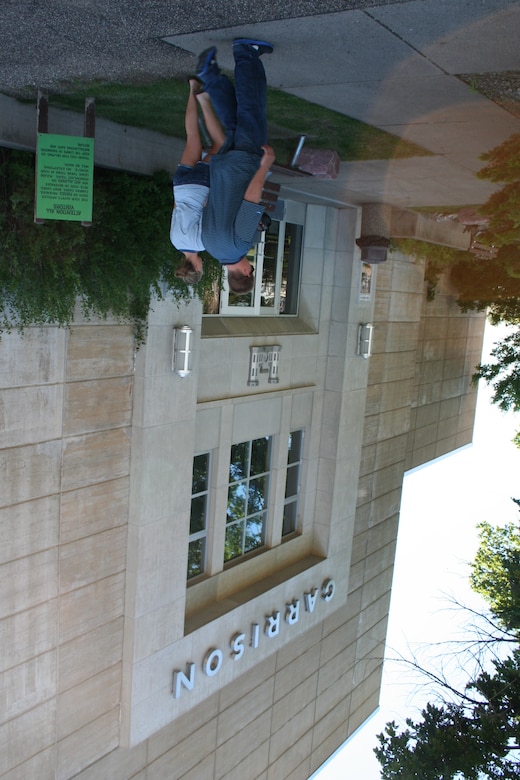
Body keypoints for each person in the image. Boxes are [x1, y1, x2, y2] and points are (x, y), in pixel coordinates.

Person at [196, 39, 276, 294]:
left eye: (251, 270)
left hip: (244, 165)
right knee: (232, 120)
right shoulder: (208, 246)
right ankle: (209, 75)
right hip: (222, 166)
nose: (251, 267)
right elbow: (207, 205)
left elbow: (251, 200)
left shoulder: (240, 245)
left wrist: (265, 165)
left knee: (251, 109)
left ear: (244, 272)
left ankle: (246, 53)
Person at [171, 78, 225, 285]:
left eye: (201, 269)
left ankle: (205, 100)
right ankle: (193, 88)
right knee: (192, 136)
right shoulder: (175, 241)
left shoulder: (201, 243)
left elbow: (206, 211)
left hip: (200, 188)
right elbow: (175, 209)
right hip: (181, 186)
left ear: (197, 268)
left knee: (220, 144)